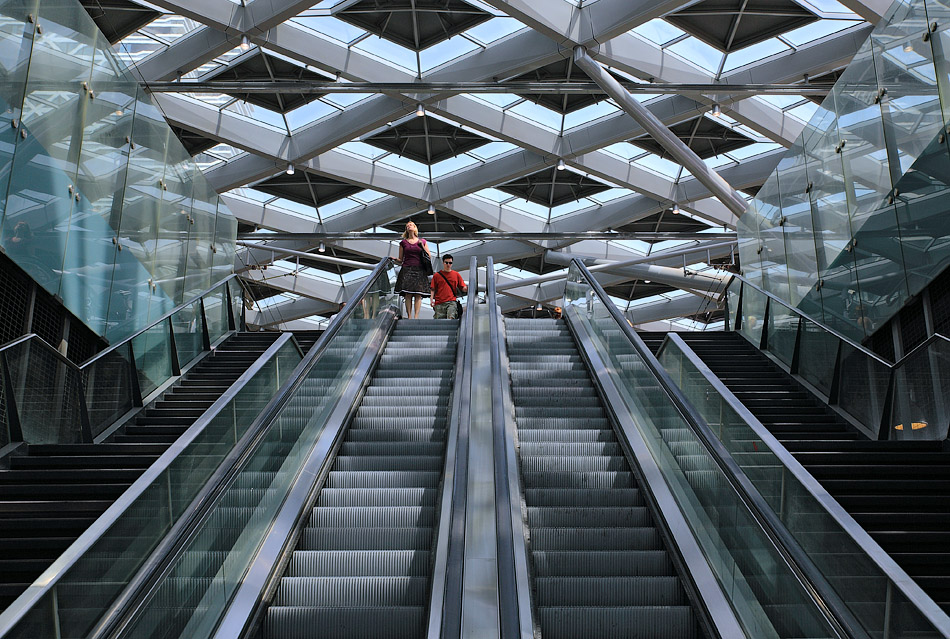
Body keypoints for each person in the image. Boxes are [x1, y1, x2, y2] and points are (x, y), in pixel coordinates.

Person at [394, 221, 430, 319]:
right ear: (406, 229)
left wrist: (421, 246)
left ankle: (416, 316)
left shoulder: (422, 241)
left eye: (411, 225)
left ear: (415, 228)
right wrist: (393, 259)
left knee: (418, 294)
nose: (409, 226)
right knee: (408, 293)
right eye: (407, 226)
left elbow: (428, 256)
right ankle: (409, 316)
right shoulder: (403, 243)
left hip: (420, 269)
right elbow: (401, 260)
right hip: (407, 268)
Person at [430, 254, 467, 319]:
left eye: (450, 263)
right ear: (443, 263)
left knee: (451, 316)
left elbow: (462, 287)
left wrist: (468, 289)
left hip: (451, 301)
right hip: (439, 302)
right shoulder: (436, 276)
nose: (448, 264)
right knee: (440, 322)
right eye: (446, 262)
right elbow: (433, 289)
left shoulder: (456, 274)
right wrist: (431, 299)